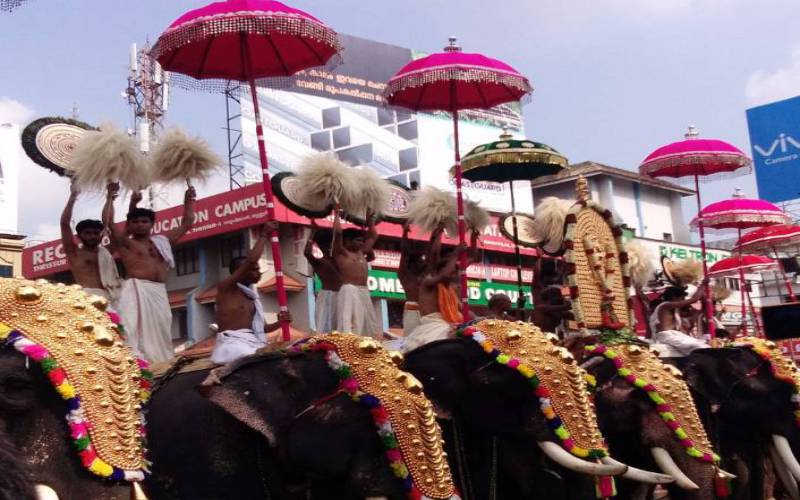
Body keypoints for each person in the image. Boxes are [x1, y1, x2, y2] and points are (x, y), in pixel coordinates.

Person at [103, 183, 195, 363]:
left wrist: (188, 200)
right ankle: (137, 366)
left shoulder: (163, 241)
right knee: (134, 331)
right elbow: (109, 222)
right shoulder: (126, 243)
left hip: (159, 291)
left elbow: (187, 222)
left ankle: (162, 365)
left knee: (161, 329)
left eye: (144, 221)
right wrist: (110, 197)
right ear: (129, 224)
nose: (140, 225)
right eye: (135, 222)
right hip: (137, 289)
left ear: (152, 224)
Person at [210, 222, 292, 364]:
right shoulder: (226, 288)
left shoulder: (252, 297)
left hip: (253, 341)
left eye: (258, 269)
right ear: (238, 272)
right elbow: (251, 260)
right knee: (253, 357)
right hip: (231, 344)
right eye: (253, 269)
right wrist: (264, 234)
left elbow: (262, 329)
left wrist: (281, 322)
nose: (258, 272)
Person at [60, 182, 121, 303]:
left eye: (96, 233)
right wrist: (73, 196)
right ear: (79, 236)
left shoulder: (106, 251)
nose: (92, 236)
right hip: (87, 299)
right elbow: (64, 224)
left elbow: (109, 223)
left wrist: (109, 197)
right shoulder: (74, 252)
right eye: (88, 233)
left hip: (111, 299)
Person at [401, 245, 463, 352]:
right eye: (451, 271)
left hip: (448, 325)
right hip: (432, 326)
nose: (453, 275)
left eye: (455, 273)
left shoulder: (452, 290)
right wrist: (455, 254)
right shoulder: (428, 282)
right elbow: (444, 275)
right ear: (439, 271)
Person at [332, 209, 381, 337]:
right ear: (347, 241)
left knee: (368, 325)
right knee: (350, 326)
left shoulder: (361, 252)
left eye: (361, 240)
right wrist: (336, 213)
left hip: (364, 291)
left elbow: (374, 236)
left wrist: (370, 221)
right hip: (349, 291)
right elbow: (337, 233)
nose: (361, 243)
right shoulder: (340, 253)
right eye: (357, 240)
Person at [649, 280, 710, 358]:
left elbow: (700, 311)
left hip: (674, 335)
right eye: (682, 297)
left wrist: (705, 299)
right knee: (700, 348)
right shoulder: (665, 305)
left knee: (705, 346)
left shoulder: (674, 309)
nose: (683, 299)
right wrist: (703, 285)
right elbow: (694, 299)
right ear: (674, 297)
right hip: (667, 336)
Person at [304, 219, 341, 333]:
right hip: (328, 297)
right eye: (328, 245)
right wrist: (312, 233)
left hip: (344, 295)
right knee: (327, 332)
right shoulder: (321, 262)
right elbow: (307, 253)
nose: (330, 247)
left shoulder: (340, 258)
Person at [397, 222, 429, 336]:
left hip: (426, 311)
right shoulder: (404, 274)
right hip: (412, 310)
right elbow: (404, 253)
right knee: (411, 339)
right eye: (420, 260)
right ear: (413, 263)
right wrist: (405, 232)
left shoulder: (424, 275)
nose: (423, 262)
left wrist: (436, 233)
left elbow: (433, 255)